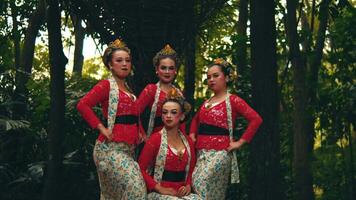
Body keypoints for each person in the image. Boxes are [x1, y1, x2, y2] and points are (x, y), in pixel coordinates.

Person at [76, 39, 147, 199]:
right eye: (119, 60)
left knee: (113, 196)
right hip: (110, 149)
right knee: (136, 191)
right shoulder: (106, 85)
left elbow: (133, 115)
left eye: (127, 61)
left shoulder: (128, 90)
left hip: (127, 151)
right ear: (110, 64)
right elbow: (83, 105)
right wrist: (102, 128)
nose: (124, 64)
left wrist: (141, 132)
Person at [189, 58, 263, 199]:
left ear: (227, 78)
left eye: (216, 76)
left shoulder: (233, 100)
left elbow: (256, 119)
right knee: (210, 192)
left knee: (201, 182)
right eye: (209, 77)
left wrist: (240, 142)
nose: (211, 80)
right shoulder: (206, 103)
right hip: (201, 153)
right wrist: (192, 134)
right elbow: (195, 120)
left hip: (220, 152)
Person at [138, 88, 201, 200]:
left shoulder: (188, 142)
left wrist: (188, 185)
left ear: (182, 116)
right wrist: (159, 188)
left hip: (182, 194)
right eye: (165, 112)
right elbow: (141, 169)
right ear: (161, 116)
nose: (168, 116)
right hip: (160, 194)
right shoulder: (155, 139)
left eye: (174, 112)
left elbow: (192, 170)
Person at [137, 44, 185, 138]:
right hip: (157, 138)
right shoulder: (151, 89)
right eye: (163, 68)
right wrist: (142, 134)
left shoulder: (179, 93)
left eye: (171, 68)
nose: (167, 72)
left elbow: (181, 121)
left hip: (176, 140)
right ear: (157, 70)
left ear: (175, 71)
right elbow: (135, 113)